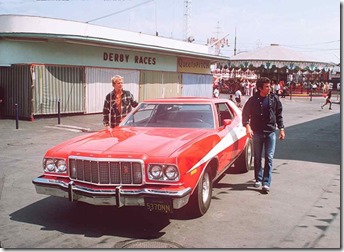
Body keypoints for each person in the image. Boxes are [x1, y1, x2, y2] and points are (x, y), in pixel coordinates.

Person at [242, 77, 285, 193]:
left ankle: (266, 183)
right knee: (257, 157)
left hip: (270, 132)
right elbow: (245, 114)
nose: (269, 88)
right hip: (257, 132)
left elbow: (279, 114)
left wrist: (281, 129)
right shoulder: (253, 100)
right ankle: (258, 178)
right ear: (260, 88)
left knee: (269, 157)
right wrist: (247, 126)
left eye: (269, 86)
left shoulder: (274, 99)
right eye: (266, 86)